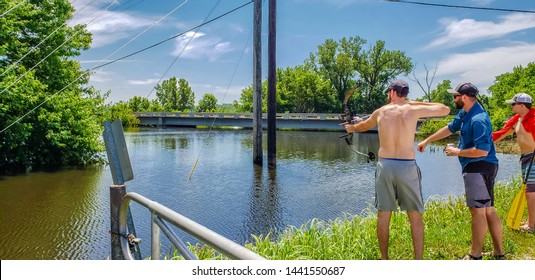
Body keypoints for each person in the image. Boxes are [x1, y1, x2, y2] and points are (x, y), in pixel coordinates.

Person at [344, 80, 450, 260]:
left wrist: (350, 127)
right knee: (414, 215)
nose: (387, 95)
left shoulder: (381, 112)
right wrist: (412, 103)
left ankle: (384, 259)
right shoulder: (414, 110)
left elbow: (363, 127)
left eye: (388, 92)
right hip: (407, 166)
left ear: (392, 92)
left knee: (384, 214)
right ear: (405, 93)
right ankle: (418, 261)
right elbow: (444, 108)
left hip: (385, 166)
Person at [417, 82, 504, 260]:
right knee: (488, 210)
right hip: (482, 167)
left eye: (455, 96)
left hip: (478, 167)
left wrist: (457, 152)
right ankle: (498, 253)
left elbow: (482, 151)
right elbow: (450, 128)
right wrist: (427, 140)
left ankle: (475, 255)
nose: (453, 99)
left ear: (464, 97)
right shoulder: (466, 113)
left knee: (478, 211)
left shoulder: (478, 119)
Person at [492, 93, 535, 233]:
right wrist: (483, 141)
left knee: (531, 191)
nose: (511, 106)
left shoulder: (533, 120)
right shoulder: (517, 120)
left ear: (522, 105)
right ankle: (531, 221)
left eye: (513, 104)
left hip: (533, 158)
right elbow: (501, 133)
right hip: (526, 158)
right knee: (531, 190)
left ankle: (531, 226)